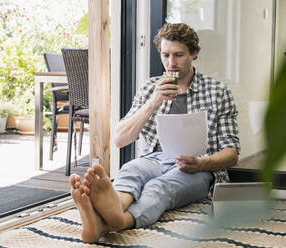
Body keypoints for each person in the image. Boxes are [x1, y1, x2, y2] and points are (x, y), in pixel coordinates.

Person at [69, 23, 240, 243]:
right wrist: (153, 103)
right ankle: (111, 210)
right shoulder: (151, 88)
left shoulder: (218, 92)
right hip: (155, 159)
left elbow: (232, 153)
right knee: (131, 170)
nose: (171, 63)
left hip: (199, 167)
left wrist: (202, 164)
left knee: (159, 187)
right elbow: (120, 139)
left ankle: (115, 221)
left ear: (194, 53)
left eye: (178, 55)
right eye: (165, 55)